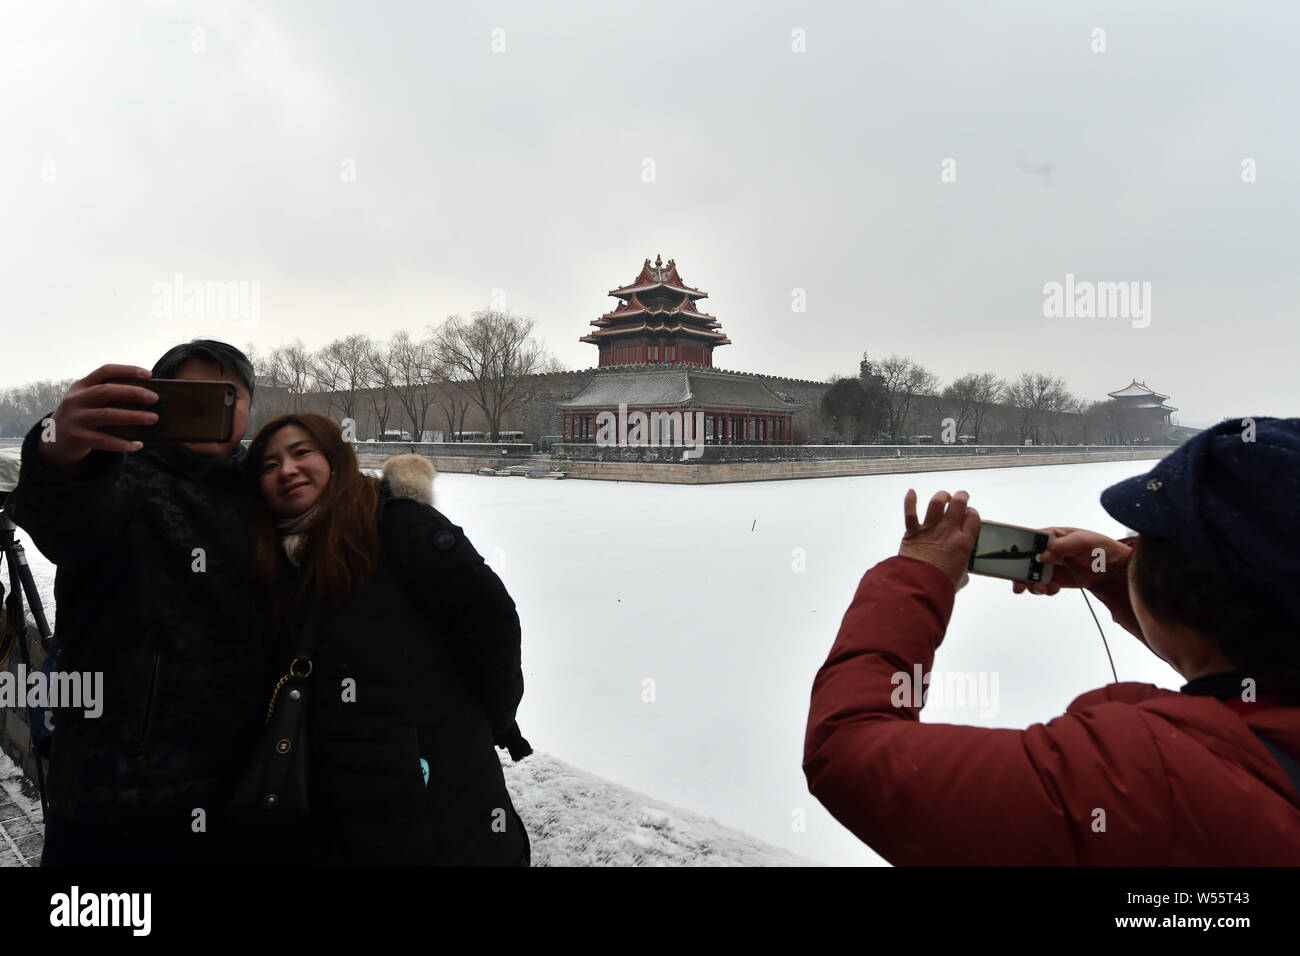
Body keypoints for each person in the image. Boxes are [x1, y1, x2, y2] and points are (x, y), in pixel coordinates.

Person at [803, 416, 1300, 865]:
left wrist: (916, 576)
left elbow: (849, 753)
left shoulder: (1142, 778)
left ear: (1189, 590)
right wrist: (1123, 576)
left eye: (1146, 540)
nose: (1133, 547)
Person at [6, 340, 270, 865]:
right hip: (115, 795)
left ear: (247, 406)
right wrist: (55, 444)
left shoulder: (266, 489)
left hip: (241, 788)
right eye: (185, 393)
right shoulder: (116, 475)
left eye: (225, 394)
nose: (206, 406)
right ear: (156, 400)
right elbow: (63, 519)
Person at [246, 413, 531, 865]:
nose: (287, 469)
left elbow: (492, 623)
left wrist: (481, 723)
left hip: (434, 793)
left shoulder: (397, 526)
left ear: (335, 458)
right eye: (269, 464)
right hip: (334, 806)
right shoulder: (269, 557)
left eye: (302, 453)